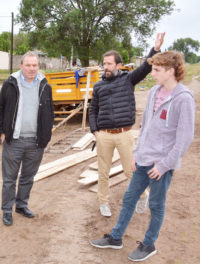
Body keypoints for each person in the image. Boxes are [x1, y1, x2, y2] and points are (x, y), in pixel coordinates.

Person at [90, 50, 195, 262]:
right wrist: (137, 153)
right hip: (144, 158)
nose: (152, 73)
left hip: (160, 165)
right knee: (129, 198)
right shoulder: (154, 92)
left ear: (171, 71)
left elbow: (184, 139)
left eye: (157, 70)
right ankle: (116, 237)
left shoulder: (183, 99)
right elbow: (145, 126)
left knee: (156, 205)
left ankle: (149, 244)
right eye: (152, 69)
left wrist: (165, 165)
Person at [89, 33, 165, 217]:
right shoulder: (98, 86)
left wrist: (155, 49)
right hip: (104, 135)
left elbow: (146, 67)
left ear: (118, 65)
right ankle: (103, 202)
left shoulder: (128, 80)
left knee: (131, 170)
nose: (105, 67)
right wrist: (96, 132)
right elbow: (93, 110)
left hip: (124, 134)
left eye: (109, 63)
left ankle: (142, 196)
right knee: (103, 172)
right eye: (104, 63)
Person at [0, 51, 54, 226]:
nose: (31, 69)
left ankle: (21, 205)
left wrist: (47, 133)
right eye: (28, 65)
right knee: (9, 179)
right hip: (14, 140)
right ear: (21, 66)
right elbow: (0, 107)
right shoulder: (10, 84)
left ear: (38, 66)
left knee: (28, 177)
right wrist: (1, 131)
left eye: (34, 65)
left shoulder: (45, 86)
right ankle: (7, 210)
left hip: (36, 142)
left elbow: (50, 111)